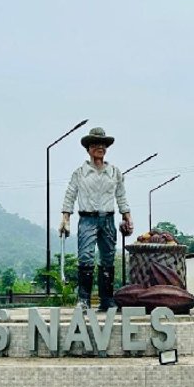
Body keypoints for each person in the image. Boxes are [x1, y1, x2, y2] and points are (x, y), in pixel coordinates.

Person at [59, 127, 133, 311]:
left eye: (103, 144)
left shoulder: (115, 172)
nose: (100, 147)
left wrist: (127, 217)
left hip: (107, 219)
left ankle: (107, 300)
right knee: (86, 257)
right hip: (87, 219)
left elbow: (121, 196)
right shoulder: (80, 173)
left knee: (108, 258)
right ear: (88, 149)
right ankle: (83, 299)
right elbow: (70, 195)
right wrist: (65, 218)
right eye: (95, 144)